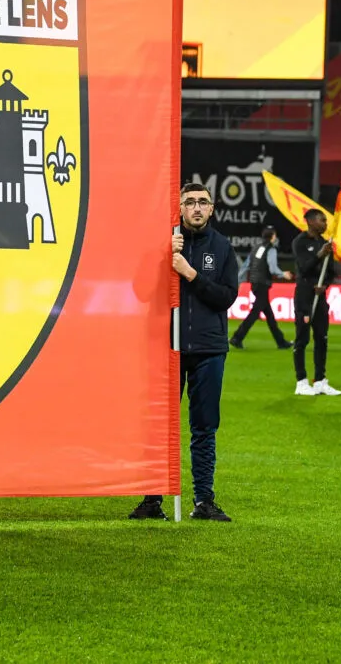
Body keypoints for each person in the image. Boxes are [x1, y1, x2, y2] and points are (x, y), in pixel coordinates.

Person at [130, 182, 238, 522]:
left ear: (212, 208)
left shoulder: (222, 247)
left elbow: (226, 297)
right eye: (189, 202)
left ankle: (204, 500)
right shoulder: (165, 245)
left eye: (202, 202)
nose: (196, 208)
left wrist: (190, 274)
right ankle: (152, 500)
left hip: (209, 349)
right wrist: (164, 258)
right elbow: (140, 291)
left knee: (204, 428)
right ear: (179, 209)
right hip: (168, 348)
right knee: (160, 426)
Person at [292, 209, 341, 396]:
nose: (325, 224)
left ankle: (320, 381)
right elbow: (304, 268)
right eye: (322, 220)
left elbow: (331, 272)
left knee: (322, 338)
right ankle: (301, 381)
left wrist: (325, 285)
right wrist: (319, 255)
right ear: (311, 221)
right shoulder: (300, 242)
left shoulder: (325, 244)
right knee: (302, 339)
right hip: (304, 297)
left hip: (320, 298)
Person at [230, 226, 292, 350]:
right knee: (254, 314)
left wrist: (238, 281)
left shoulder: (256, 248)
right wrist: (283, 274)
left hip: (255, 283)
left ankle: (281, 342)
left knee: (269, 315)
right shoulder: (271, 249)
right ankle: (237, 337)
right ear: (273, 237)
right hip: (263, 283)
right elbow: (272, 268)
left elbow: (246, 266)